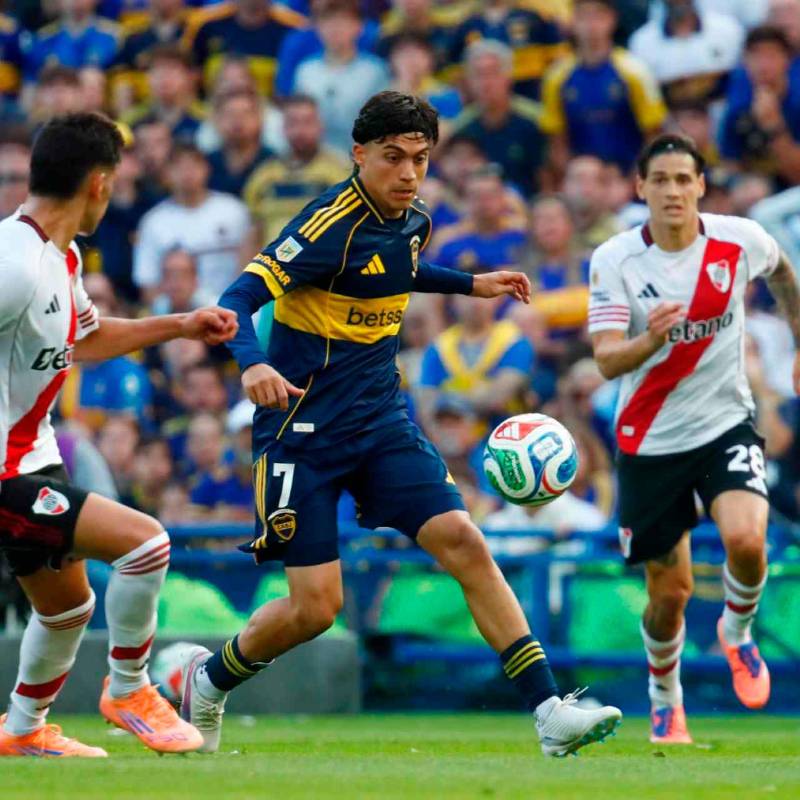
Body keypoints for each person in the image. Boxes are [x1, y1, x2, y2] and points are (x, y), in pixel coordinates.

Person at [179, 90, 622, 758]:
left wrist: (474, 285)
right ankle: (208, 682)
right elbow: (237, 298)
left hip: (382, 421)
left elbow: (398, 269)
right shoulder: (326, 225)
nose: (409, 172)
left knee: (465, 541)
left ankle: (550, 710)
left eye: (419, 158)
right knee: (315, 608)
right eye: (394, 158)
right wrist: (249, 364)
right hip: (302, 430)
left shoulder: (411, 219)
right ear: (361, 155)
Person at [0, 112, 238, 757]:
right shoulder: (14, 264)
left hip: (35, 458)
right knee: (145, 545)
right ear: (101, 184)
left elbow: (89, 337)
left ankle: (22, 731)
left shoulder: (61, 255)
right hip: (3, 475)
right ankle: (129, 688)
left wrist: (182, 324)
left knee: (67, 608)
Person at [588, 133, 800, 743]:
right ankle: (665, 696)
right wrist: (651, 340)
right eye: (662, 180)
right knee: (670, 594)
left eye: (685, 179)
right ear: (641, 188)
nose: (674, 191)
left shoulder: (740, 240)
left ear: (701, 186)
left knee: (746, 539)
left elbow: (784, 270)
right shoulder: (615, 259)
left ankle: (736, 632)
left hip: (725, 422)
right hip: (650, 441)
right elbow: (605, 360)